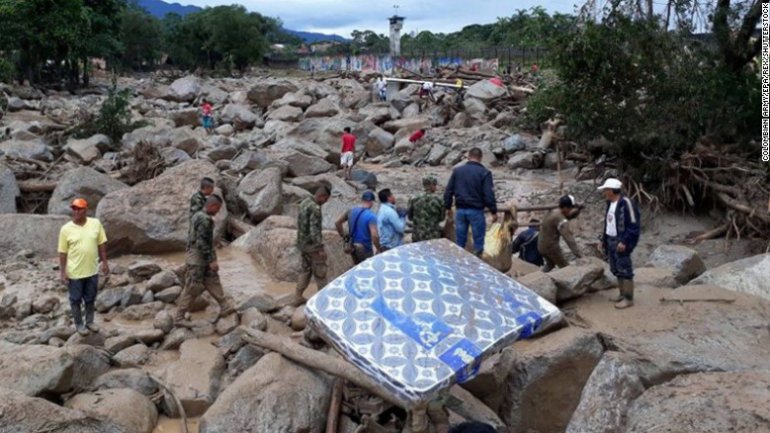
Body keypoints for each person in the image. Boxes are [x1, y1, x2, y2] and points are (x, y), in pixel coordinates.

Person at [175, 195, 234, 324]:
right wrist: (211, 260)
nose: (217, 212)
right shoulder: (206, 220)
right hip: (197, 259)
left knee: (212, 279)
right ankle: (179, 317)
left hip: (198, 256)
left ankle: (225, 306)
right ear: (212, 206)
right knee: (193, 287)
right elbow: (202, 242)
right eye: (217, 209)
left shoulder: (197, 215)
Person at [58, 198, 109, 336]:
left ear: (86, 210)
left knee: (90, 298)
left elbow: (101, 244)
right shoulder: (66, 229)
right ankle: (79, 324)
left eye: (79, 208)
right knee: (75, 299)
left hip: (92, 270)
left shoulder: (95, 224)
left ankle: (90, 322)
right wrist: (63, 272)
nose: (76, 211)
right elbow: (63, 252)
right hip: (74, 272)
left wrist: (104, 262)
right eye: (74, 208)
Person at [444, 148, 498, 256]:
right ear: (481, 158)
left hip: (460, 210)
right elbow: (488, 194)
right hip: (476, 211)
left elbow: (449, 190)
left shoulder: (457, 171)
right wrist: (493, 211)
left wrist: (448, 207)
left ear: (468, 156)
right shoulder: (485, 173)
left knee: (460, 241)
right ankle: (477, 265)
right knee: (478, 242)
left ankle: (460, 264)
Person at [598, 178, 641, 309]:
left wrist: (624, 241)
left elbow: (634, 225)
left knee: (625, 268)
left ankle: (628, 298)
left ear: (611, 191)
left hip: (621, 241)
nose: (604, 192)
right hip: (611, 240)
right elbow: (608, 224)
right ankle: (622, 294)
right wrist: (602, 240)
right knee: (615, 268)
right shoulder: (609, 203)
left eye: (605, 190)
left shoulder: (627, 203)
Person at [295, 186, 332, 304]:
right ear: (322, 196)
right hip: (312, 247)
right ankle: (323, 300)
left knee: (305, 270)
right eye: (326, 200)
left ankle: (298, 296)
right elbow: (314, 230)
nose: (325, 202)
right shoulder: (315, 209)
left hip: (302, 244)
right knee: (320, 273)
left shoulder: (304, 202)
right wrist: (320, 248)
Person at [538, 195, 583, 272]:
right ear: (565, 208)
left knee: (550, 264)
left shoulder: (553, 211)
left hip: (541, 245)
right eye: (570, 208)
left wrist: (578, 209)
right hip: (551, 247)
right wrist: (579, 255)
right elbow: (568, 238)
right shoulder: (560, 219)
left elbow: (567, 216)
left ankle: (537, 279)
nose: (571, 210)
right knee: (565, 267)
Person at [336, 191, 381, 264]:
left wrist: (344, 236)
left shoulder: (351, 211)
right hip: (365, 249)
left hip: (353, 247)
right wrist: (379, 249)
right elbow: (374, 235)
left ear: (362, 200)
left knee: (357, 267)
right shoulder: (371, 216)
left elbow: (337, 223)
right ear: (371, 202)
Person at [408, 175, 446, 242]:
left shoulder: (413, 198)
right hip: (433, 236)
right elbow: (442, 218)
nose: (435, 187)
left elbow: (410, 217)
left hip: (417, 235)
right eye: (435, 185)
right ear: (431, 185)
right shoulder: (439, 200)